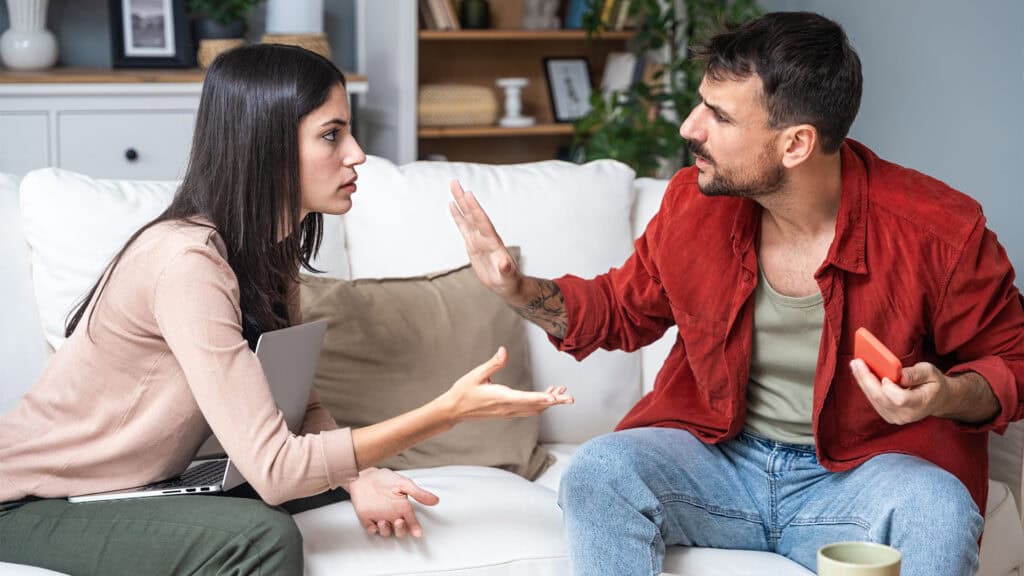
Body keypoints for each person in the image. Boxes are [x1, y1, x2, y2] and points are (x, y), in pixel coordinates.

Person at [449, 11, 1024, 576]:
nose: (689, 128)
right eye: (701, 103)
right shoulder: (692, 204)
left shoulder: (940, 232)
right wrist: (517, 288)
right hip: (720, 461)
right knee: (600, 470)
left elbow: (1013, 365)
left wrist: (943, 394)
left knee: (939, 510)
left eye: (718, 116)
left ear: (796, 144)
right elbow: (621, 309)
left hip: (862, 475)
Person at [0, 44, 572, 576]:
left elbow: (300, 403)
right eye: (332, 135)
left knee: (331, 481)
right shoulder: (187, 262)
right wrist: (446, 412)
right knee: (261, 537)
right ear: (267, 146)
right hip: (32, 503)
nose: (358, 154)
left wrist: (360, 477)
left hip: (141, 486)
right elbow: (275, 470)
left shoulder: (266, 252)